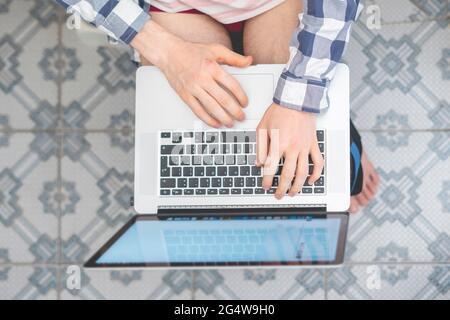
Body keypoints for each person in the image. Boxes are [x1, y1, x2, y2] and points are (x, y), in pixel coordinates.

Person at [56, 0, 379, 213]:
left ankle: (323, 106)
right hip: (170, 6)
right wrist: (164, 50)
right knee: (205, 153)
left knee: (307, 154)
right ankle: (321, 103)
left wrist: (298, 101)